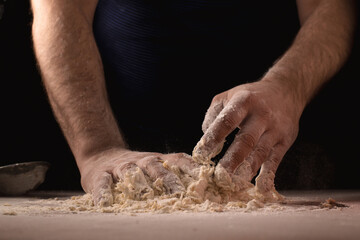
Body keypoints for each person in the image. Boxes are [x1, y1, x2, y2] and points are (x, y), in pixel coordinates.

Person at [30, 0, 356, 206]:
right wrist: (97, 148)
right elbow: (59, 7)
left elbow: (330, 7)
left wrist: (288, 87)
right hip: (120, 145)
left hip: (275, 145)